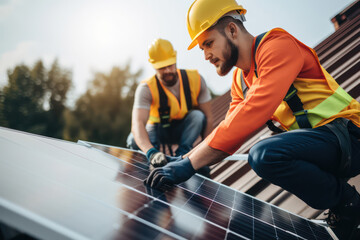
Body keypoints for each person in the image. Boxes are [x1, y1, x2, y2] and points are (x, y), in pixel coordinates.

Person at [144, 0, 360, 239]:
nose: (205, 55)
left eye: (208, 43)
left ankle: (347, 204)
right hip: (326, 147)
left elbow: (254, 111)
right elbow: (230, 129)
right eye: (202, 49)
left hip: (351, 136)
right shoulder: (240, 81)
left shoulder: (277, 46)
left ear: (232, 30)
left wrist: (188, 165)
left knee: (264, 155)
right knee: (263, 155)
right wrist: (185, 159)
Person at [127, 38, 213, 168]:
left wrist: (206, 152)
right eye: (162, 67)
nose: (167, 70)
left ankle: (182, 156)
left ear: (175, 59)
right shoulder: (146, 88)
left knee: (198, 116)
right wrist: (151, 152)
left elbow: (208, 117)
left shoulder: (196, 80)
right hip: (157, 131)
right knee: (133, 139)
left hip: (182, 131)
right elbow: (137, 124)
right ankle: (151, 165)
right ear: (153, 66)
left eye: (170, 65)